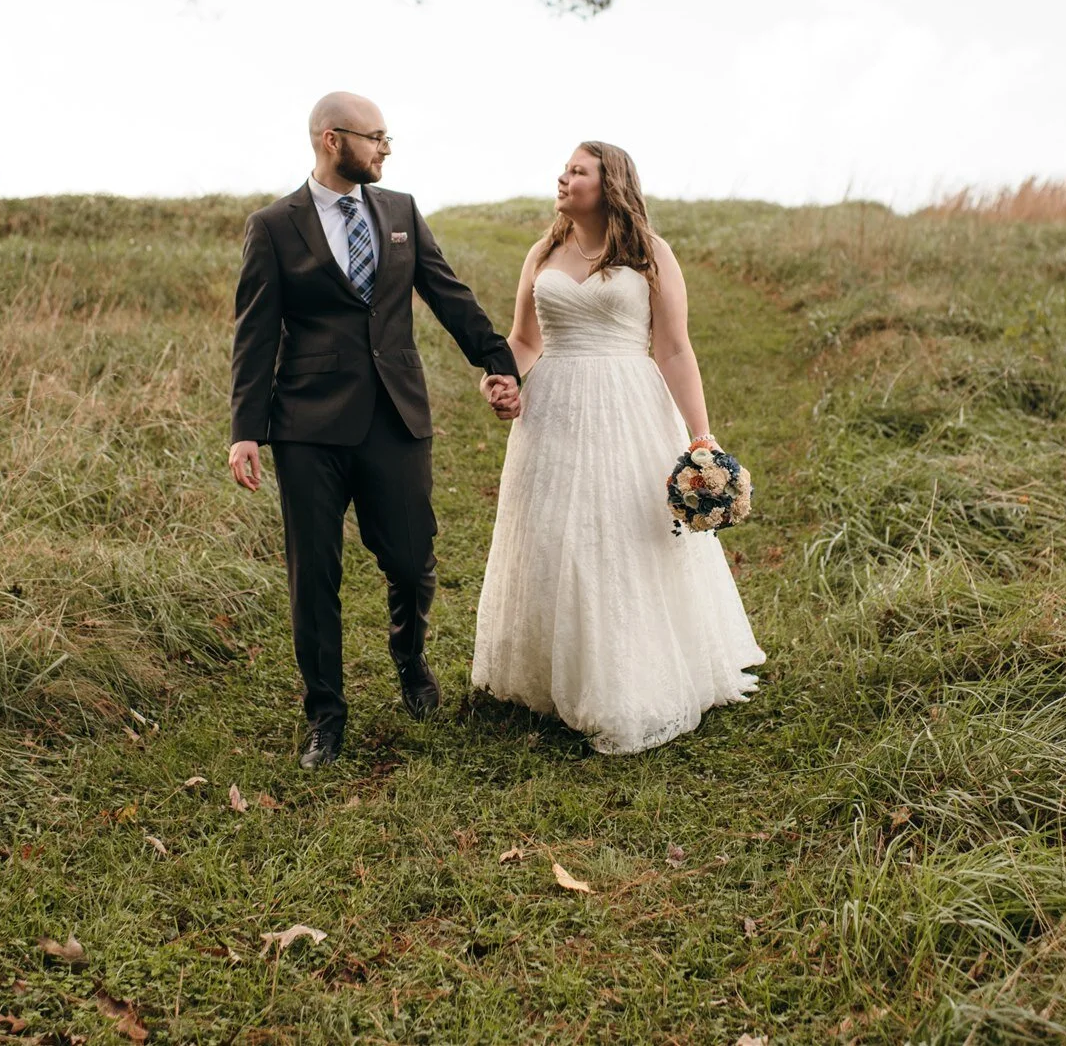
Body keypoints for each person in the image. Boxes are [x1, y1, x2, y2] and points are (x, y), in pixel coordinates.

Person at [227, 92, 521, 769]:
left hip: (395, 414)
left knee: (412, 556)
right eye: (376, 137)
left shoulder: (400, 212)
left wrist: (498, 359)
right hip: (307, 425)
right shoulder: (275, 225)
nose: (386, 148)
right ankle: (325, 714)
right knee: (315, 575)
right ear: (333, 139)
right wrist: (247, 429)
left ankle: (410, 659)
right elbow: (255, 333)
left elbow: (447, 294)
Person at [471, 141, 764, 754]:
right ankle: (557, 675)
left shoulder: (649, 254)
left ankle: (630, 678)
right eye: (565, 168)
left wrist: (702, 436)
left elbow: (675, 349)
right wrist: (501, 378)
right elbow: (524, 339)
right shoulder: (543, 252)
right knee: (552, 533)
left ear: (610, 184)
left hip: (629, 404)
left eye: (578, 171)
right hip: (552, 408)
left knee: (622, 533)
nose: (563, 177)